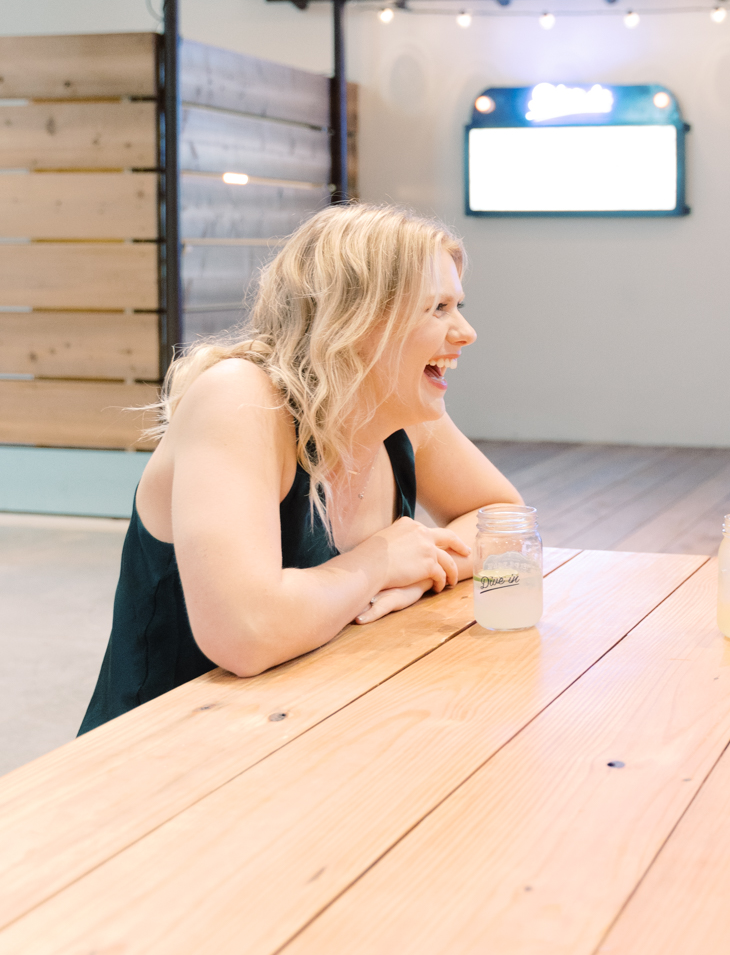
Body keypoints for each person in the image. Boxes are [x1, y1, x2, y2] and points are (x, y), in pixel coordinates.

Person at [79, 203, 523, 732]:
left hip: (315, 727)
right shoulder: (240, 399)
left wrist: (418, 574)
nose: (466, 331)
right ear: (357, 319)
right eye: (439, 308)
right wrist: (378, 563)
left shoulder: (397, 408)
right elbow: (245, 633)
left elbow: (506, 522)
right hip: (161, 762)